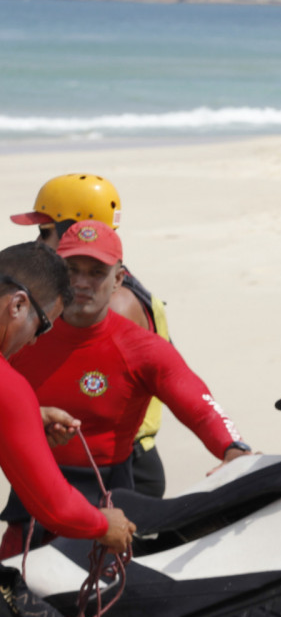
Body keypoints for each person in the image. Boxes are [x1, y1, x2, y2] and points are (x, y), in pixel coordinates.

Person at [2, 221, 252, 558]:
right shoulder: (21, 332)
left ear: (119, 279)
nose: (81, 282)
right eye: (71, 270)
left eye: (96, 272)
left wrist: (233, 448)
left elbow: (198, 402)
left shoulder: (140, 348)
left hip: (109, 497)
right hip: (31, 497)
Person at [11, 173, 171, 497]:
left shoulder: (113, 306)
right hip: (79, 459)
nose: (38, 243)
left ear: (75, 231)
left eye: (44, 232)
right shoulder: (106, 287)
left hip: (116, 470)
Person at [0, 242, 135, 556]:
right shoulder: (7, 384)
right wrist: (104, 525)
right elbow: (55, 506)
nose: (33, 341)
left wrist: (31, 415)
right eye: (42, 325)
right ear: (18, 305)